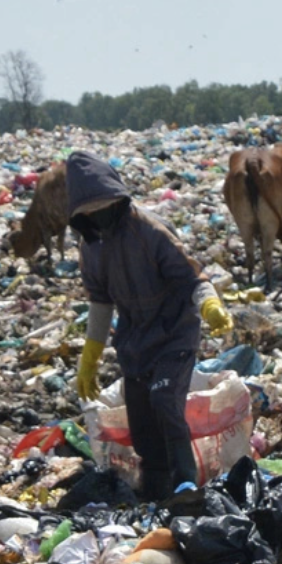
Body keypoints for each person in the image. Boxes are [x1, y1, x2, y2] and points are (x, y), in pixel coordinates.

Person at [65, 151, 227, 514]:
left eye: (104, 207)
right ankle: (156, 487)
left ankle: (186, 481)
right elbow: (101, 302)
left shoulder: (149, 231)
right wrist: (90, 355)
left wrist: (209, 304)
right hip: (135, 343)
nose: (99, 217)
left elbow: (192, 277)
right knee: (141, 417)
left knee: (165, 400)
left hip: (174, 333)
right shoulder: (91, 247)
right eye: (89, 213)